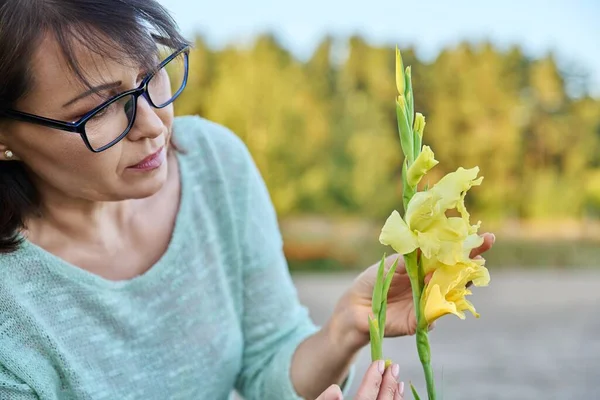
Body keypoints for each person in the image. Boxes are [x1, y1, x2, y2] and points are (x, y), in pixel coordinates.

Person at [0, 1, 494, 399]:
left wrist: (347, 325)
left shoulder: (215, 165)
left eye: (151, 75)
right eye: (101, 108)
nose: (153, 125)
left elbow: (266, 365)